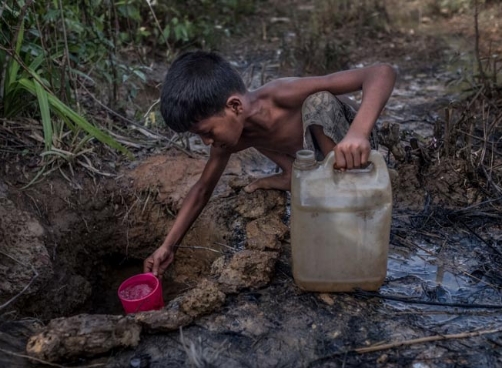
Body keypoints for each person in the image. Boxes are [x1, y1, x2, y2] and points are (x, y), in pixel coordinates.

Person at [144, 50, 396, 277]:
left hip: (355, 154)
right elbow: (202, 189)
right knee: (247, 134)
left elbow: (381, 72)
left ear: (234, 105)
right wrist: (168, 246)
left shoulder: (281, 95)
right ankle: (294, 176)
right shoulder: (232, 137)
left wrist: (358, 133)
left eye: (206, 131)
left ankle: (331, 191)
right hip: (315, 167)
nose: (207, 142)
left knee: (320, 101)